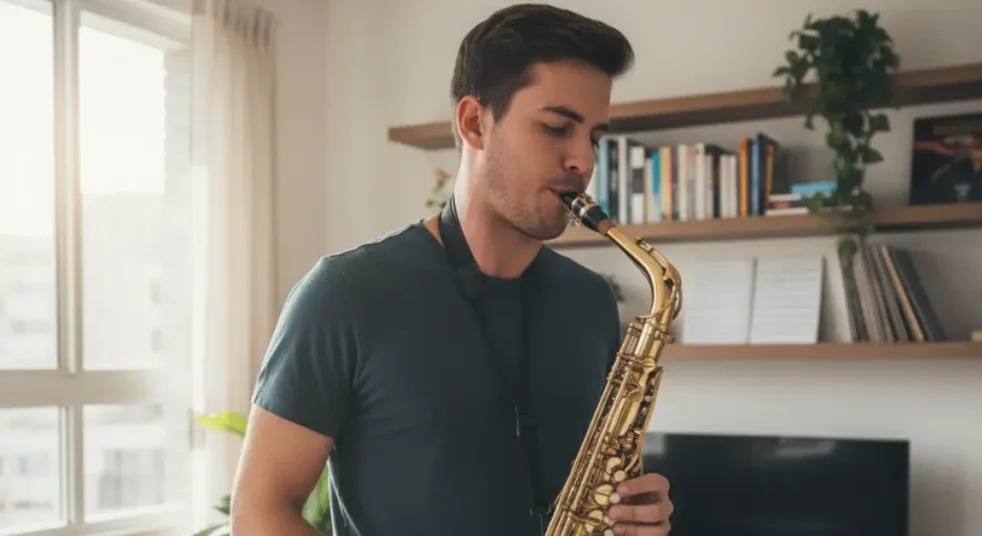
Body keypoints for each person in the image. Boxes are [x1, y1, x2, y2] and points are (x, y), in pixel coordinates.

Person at [230, 4, 674, 536]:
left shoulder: (590, 300)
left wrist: (637, 515)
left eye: (595, 137)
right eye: (557, 127)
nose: (583, 160)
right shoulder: (346, 294)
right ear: (473, 123)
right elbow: (260, 513)